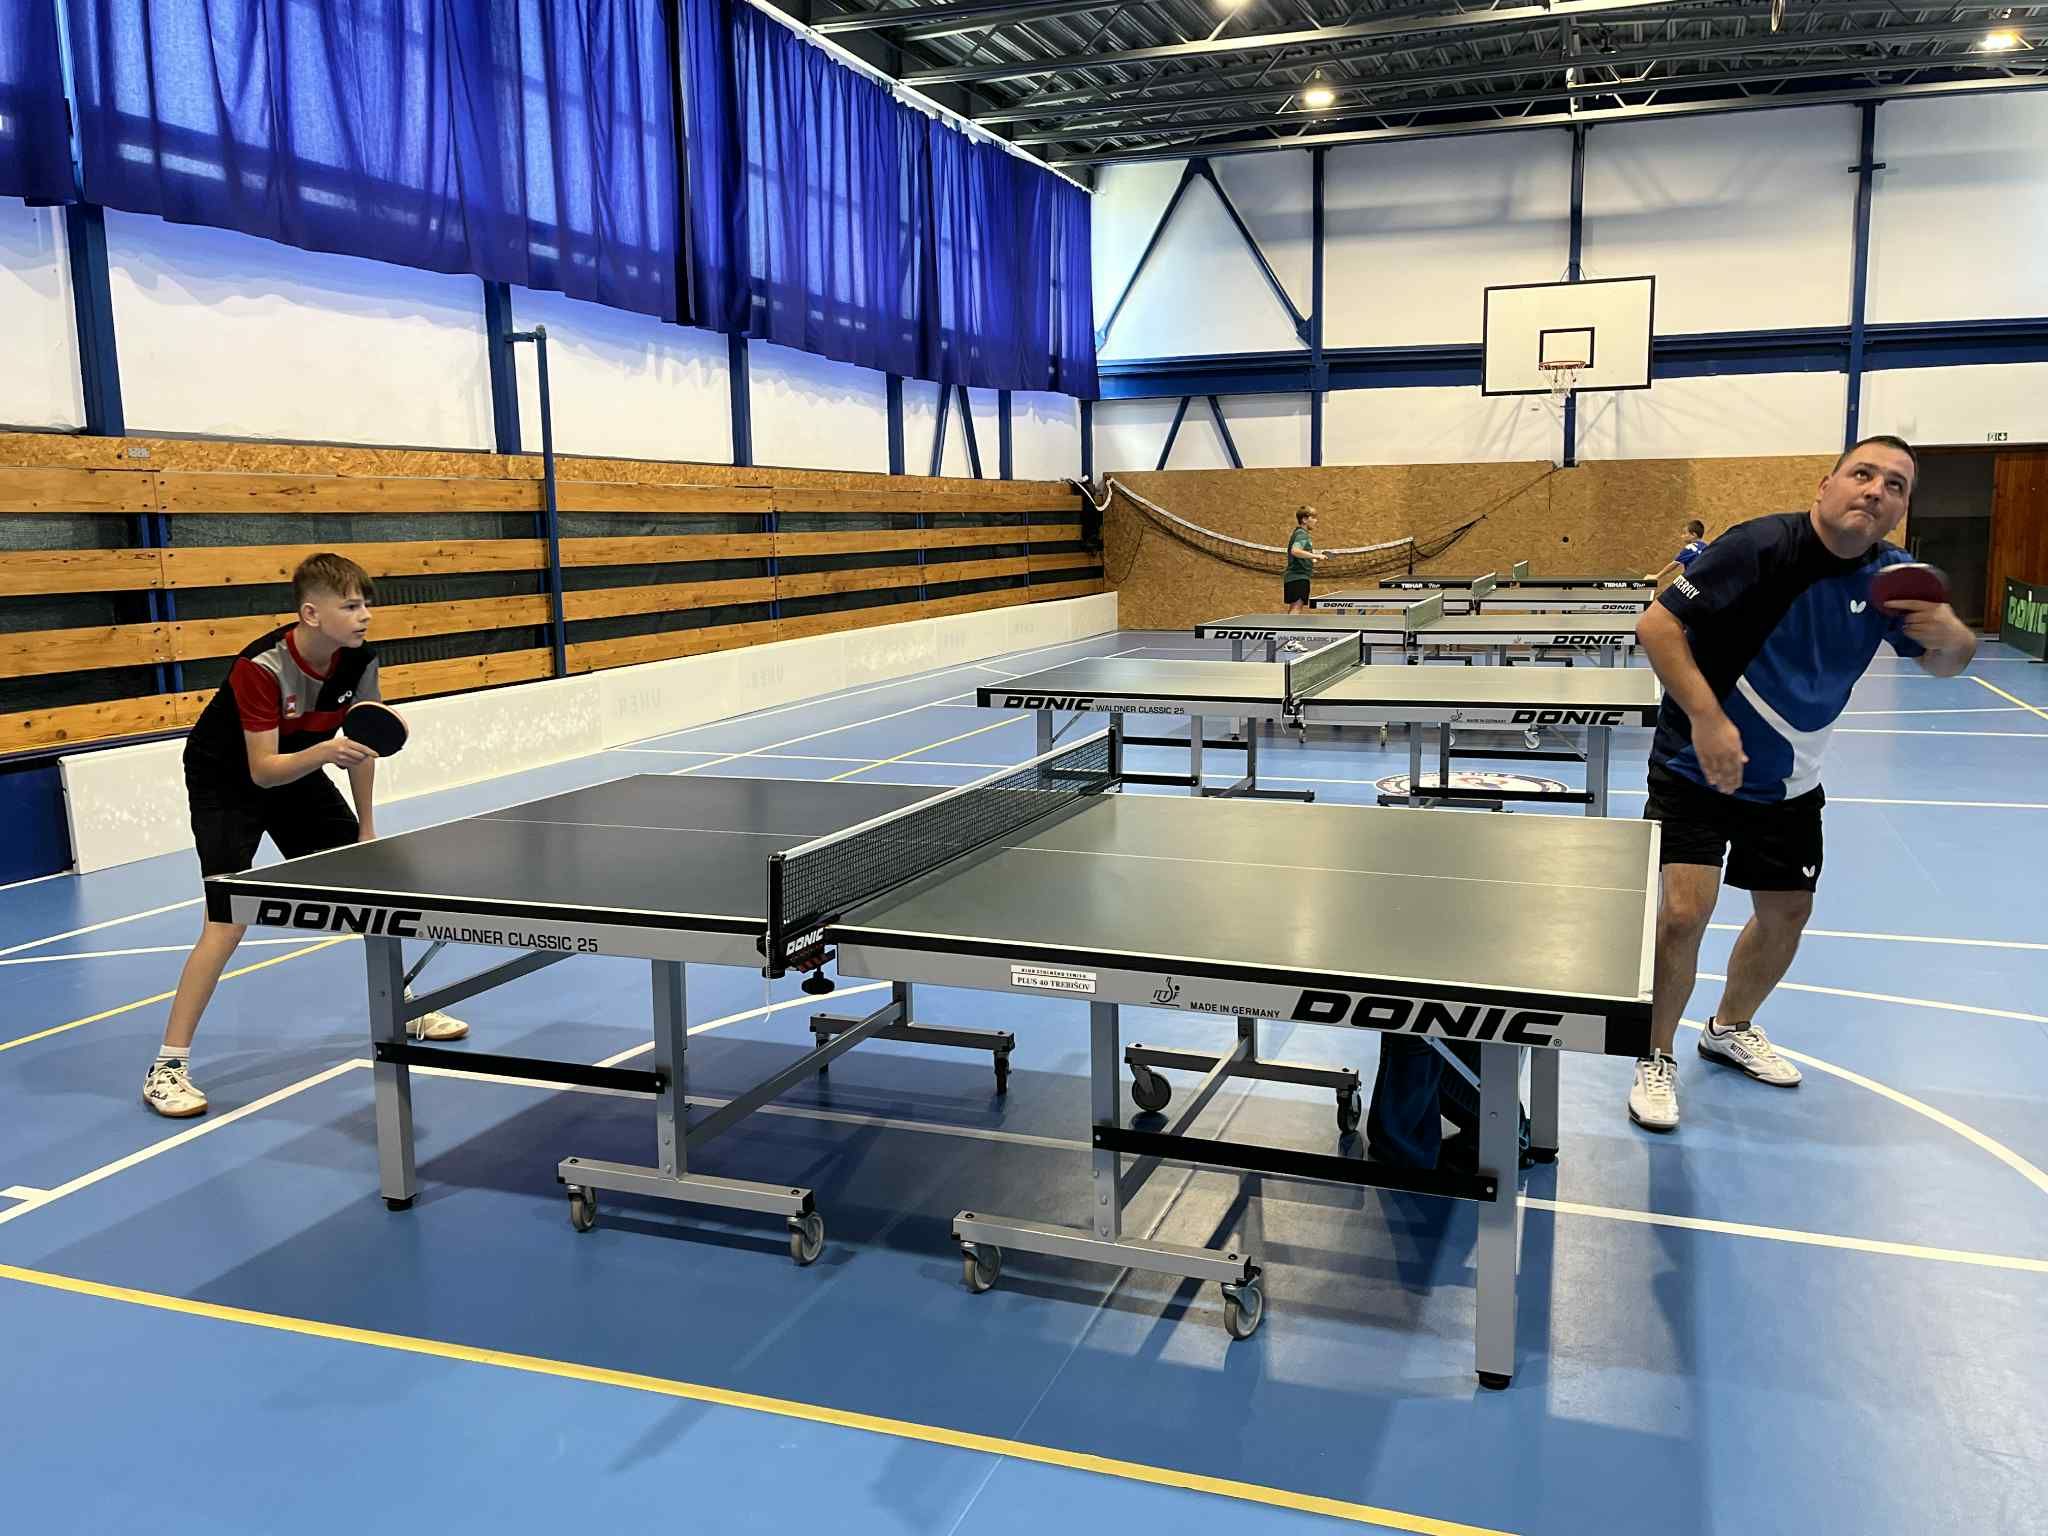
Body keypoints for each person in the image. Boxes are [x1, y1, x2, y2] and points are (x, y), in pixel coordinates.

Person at [1627, 436, 1977, 1132]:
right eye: (1863, 473)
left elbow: (1945, 665)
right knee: (1683, 914)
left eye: (1896, 485)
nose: (1876, 490)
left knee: (1787, 912)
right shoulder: (1759, 547)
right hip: (1697, 766)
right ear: (1826, 486)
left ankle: (1728, 1027)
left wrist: (1952, 634)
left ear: (1902, 509)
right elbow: (1658, 624)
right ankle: (1656, 1054)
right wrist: (1707, 719)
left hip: (1790, 780)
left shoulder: (1894, 580)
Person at [144, 553, 465, 1119]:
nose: (365, 615)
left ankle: (403, 1008)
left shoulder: (359, 659)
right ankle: (167, 1067)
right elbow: (264, 770)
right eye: (352, 606)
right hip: (229, 780)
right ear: (312, 613)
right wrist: (324, 751)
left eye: (366, 605)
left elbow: (363, 742)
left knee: (368, 887)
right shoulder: (261, 668)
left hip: (298, 766)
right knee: (227, 918)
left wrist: (366, 827)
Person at [1281, 506, 1328, 650]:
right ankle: (1290, 641)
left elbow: (1299, 553)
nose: (1316, 521)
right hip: (1297, 577)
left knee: (1295, 607)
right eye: (1313, 518)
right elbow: (1295, 551)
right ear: (1304, 519)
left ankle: (1289, 641)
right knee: (1296, 608)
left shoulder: (1300, 533)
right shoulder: (1302, 534)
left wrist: (1311, 560)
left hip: (1297, 577)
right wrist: (1316, 556)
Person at [1647, 519, 1709, 584]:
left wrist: (1657, 576)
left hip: (1694, 582)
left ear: (1693, 535)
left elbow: (1675, 564)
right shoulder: (1706, 546)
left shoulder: (1691, 547)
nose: (1682, 536)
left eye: (1685, 533)